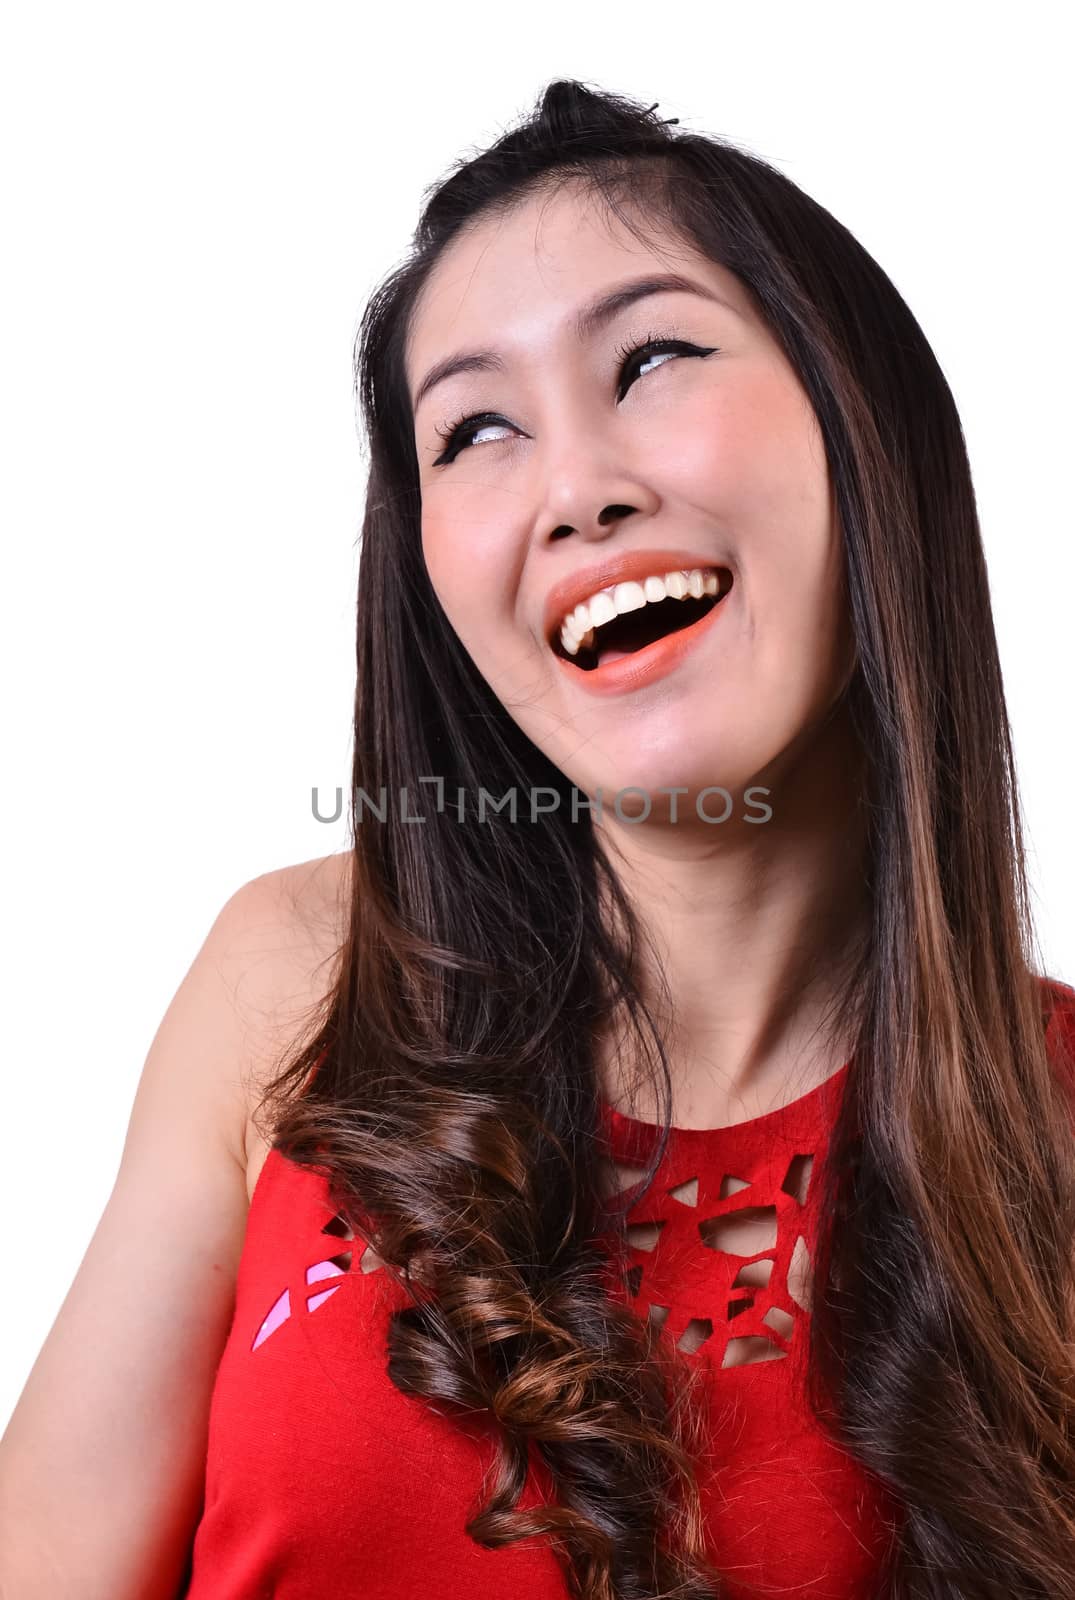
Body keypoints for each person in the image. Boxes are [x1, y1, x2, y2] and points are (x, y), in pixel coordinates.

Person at [2, 78, 1074, 1600]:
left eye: (653, 357)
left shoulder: (1059, 1133)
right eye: (477, 430)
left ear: (863, 426)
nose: (578, 488)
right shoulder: (295, 978)